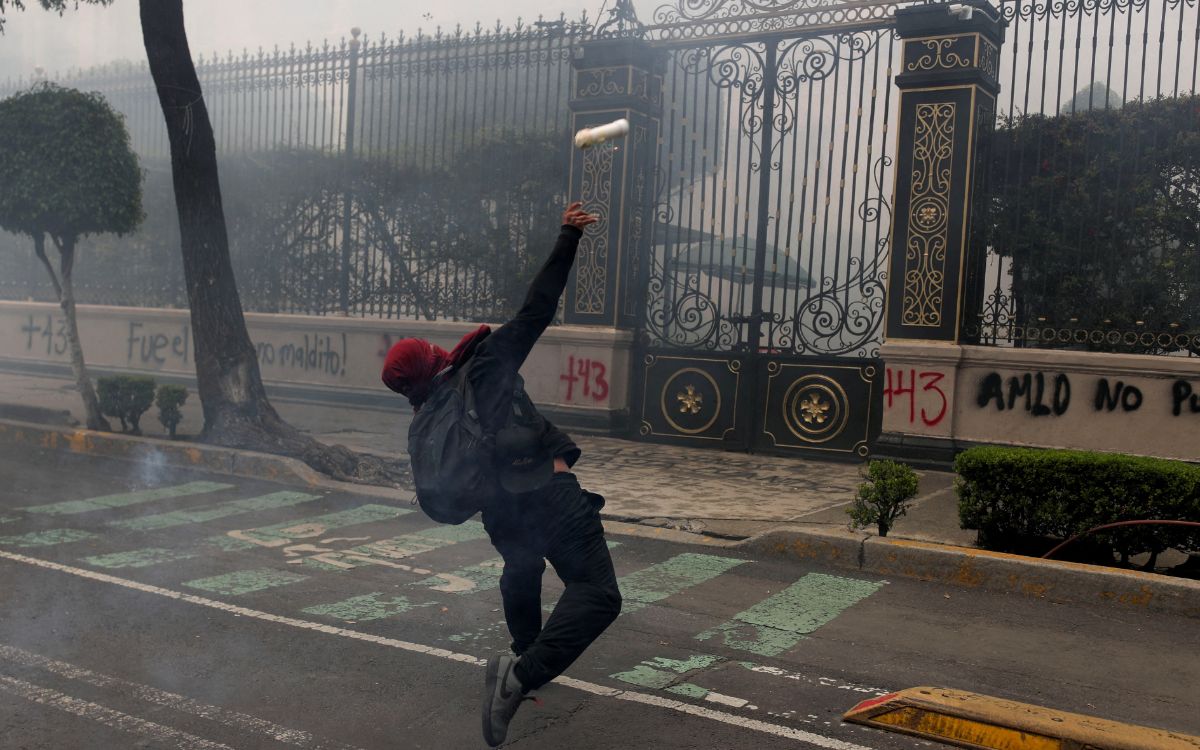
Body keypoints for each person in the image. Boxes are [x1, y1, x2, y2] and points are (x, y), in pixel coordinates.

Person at [380, 202, 622, 747]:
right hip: (547, 496)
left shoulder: (428, 411)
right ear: (431, 355)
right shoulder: (483, 366)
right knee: (598, 594)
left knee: (521, 562)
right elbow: (537, 307)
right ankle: (521, 675)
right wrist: (568, 236)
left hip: (501, 511)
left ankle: (523, 650)